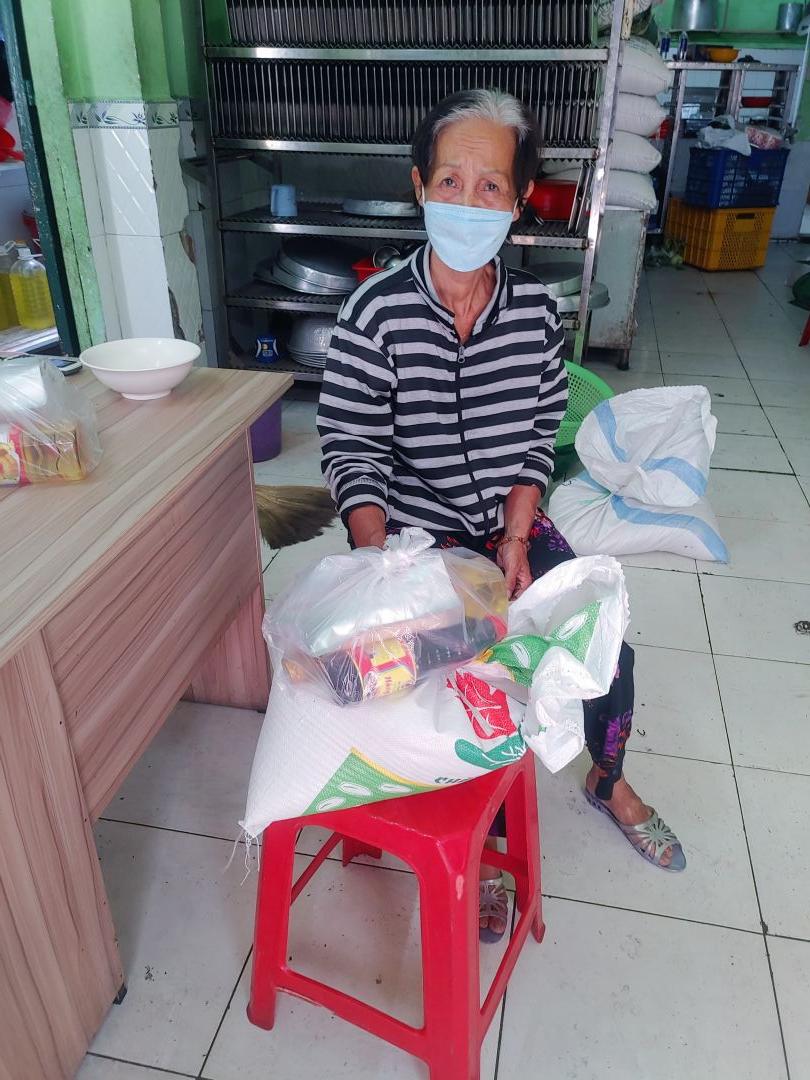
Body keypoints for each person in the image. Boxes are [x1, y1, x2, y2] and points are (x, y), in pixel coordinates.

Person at [317, 88, 685, 943]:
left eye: (491, 185)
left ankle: (607, 778)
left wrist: (518, 540)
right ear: (420, 187)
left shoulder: (534, 315)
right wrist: (386, 566)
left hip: (505, 527)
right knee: (466, 679)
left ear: (519, 202)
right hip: (412, 542)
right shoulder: (374, 313)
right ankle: (487, 841)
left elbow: (534, 442)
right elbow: (352, 447)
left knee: (602, 648)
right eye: (450, 180)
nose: (468, 199)